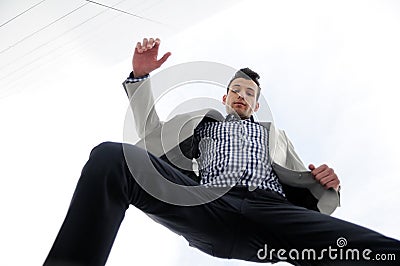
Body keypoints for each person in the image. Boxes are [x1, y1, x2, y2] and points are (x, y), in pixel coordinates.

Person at [44, 38, 400, 266]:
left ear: (257, 104)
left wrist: (328, 183)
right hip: (207, 202)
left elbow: (306, 183)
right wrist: (139, 78)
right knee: (111, 157)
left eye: (250, 93)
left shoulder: (275, 135)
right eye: (236, 90)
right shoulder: (203, 124)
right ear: (225, 97)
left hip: (273, 213)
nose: (242, 95)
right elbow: (152, 133)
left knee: (377, 250)